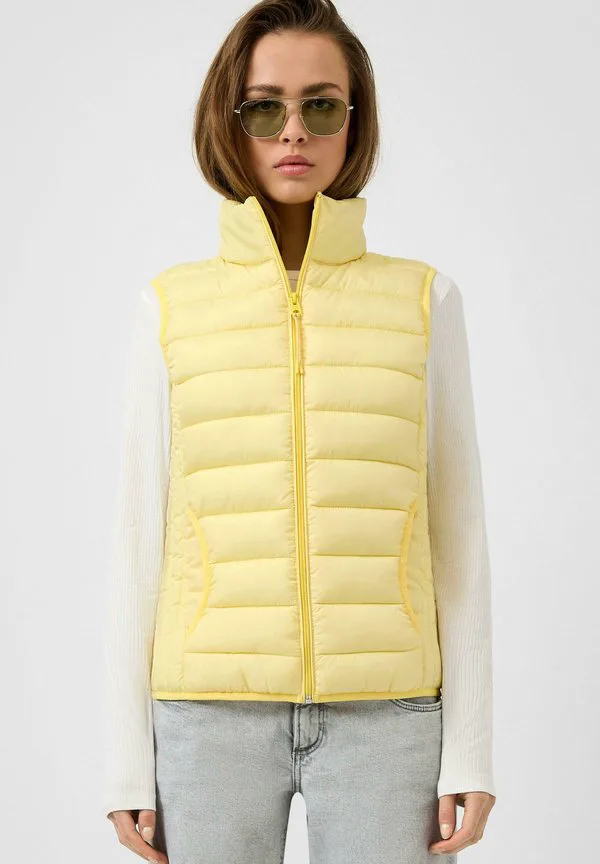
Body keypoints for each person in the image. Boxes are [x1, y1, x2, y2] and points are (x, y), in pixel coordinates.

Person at [103, 1, 497, 861]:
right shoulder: (169, 308)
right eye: (263, 108)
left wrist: (470, 748)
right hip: (209, 716)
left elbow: (458, 539)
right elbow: (140, 538)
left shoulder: (424, 301)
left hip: (388, 717)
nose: (293, 131)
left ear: (354, 121)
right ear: (229, 122)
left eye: (321, 105)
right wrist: (127, 762)